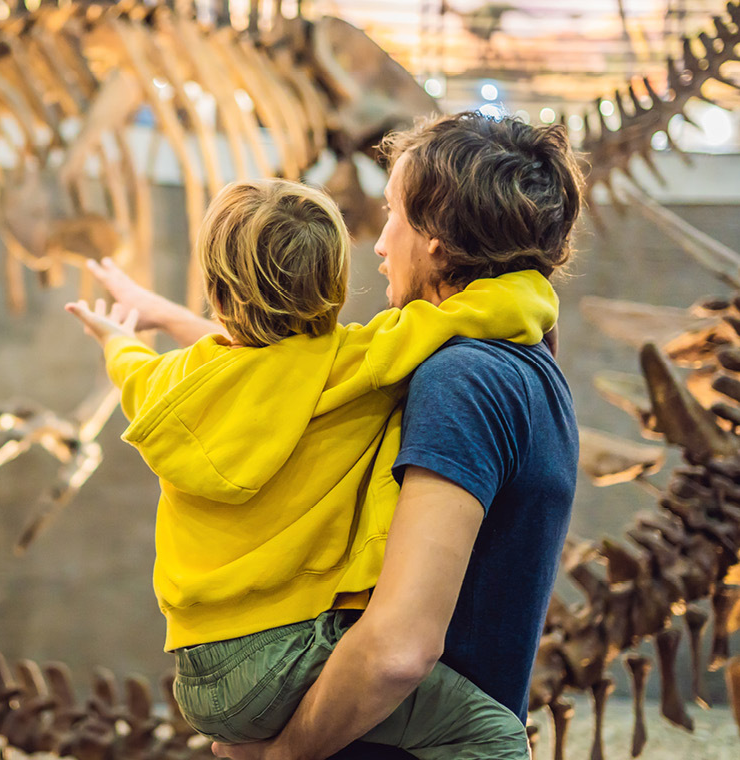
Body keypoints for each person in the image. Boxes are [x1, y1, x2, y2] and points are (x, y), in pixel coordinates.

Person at [87, 112, 583, 760]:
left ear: (435, 239)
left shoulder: (462, 380)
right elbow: (291, 377)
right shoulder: (522, 365)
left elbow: (399, 652)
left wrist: (279, 755)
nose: (378, 243)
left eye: (392, 215)